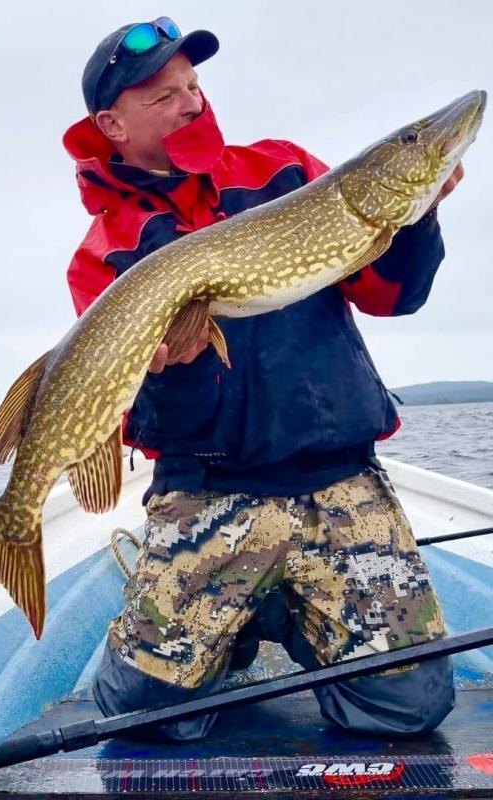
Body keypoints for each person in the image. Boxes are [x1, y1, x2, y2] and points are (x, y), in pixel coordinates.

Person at [63, 17, 464, 741]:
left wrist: (418, 217)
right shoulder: (106, 253)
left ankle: (279, 608)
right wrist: (180, 366)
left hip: (339, 480)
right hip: (208, 492)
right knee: (150, 714)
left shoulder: (285, 172)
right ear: (111, 123)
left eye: (194, 86)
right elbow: (137, 417)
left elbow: (393, 295)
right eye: (164, 95)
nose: (192, 103)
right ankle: (234, 628)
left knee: (411, 705)